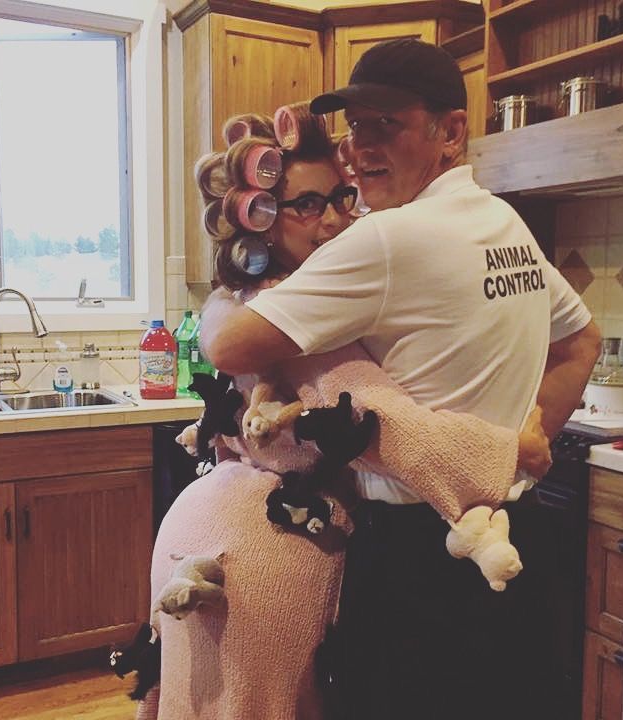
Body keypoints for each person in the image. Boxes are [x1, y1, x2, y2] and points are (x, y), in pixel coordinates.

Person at [199, 41, 602, 720]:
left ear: (450, 132)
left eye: (385, 124)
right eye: (355, 127)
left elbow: (232, 347)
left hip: (417, 561)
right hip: (514, 534)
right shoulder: (503, 222)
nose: (360, 147)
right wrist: (524, 440)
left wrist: (218, 299)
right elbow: (582, 340)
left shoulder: (388, 238)